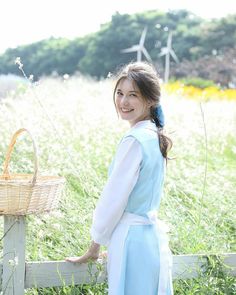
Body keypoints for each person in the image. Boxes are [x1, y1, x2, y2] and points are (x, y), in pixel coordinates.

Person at [66, 61, 174, 294]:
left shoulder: (134, 140)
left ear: (150, 100)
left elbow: (113, 200)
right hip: (150, 242)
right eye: (120, 93)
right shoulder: (154, 135)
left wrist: (94, 246)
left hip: (130, 243)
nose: (123, 102)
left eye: (133, 95)